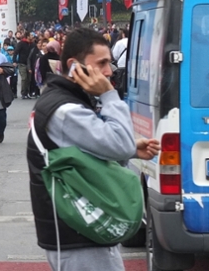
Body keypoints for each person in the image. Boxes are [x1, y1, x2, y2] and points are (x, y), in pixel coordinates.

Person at [28, 27, 161, 271]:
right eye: (102, 63)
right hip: (78, 233)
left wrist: (129, 149)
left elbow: (93, 151)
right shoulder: (66, 110)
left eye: (110, 62)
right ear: (74, 65)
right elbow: (118, 144)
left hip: (79, 228)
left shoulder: (63, 101)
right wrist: (110, 96)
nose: (109, 71)